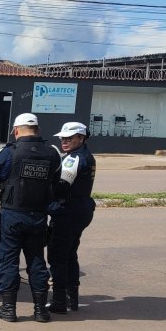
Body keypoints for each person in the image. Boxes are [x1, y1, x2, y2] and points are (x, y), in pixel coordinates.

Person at [0, 113, 61, 322]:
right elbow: (56, 182)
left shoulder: (8, 152)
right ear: (38, 130)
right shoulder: (53, 152)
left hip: (12, 214)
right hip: (38, 215)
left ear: (16, 130)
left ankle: (8, 308)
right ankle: (41, 310)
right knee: (36, 261)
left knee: (8, 261)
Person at [47, 121, 97, 314]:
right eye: (62, 138)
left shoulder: (74, 158)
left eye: (69, 138)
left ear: (81, 138)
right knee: (69, 254)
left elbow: (61, 186)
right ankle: (71, 299)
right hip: (80, 211)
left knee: (58, 256)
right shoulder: (86, 156)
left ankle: (59, 301)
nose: (64, 141)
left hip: (67, 212)